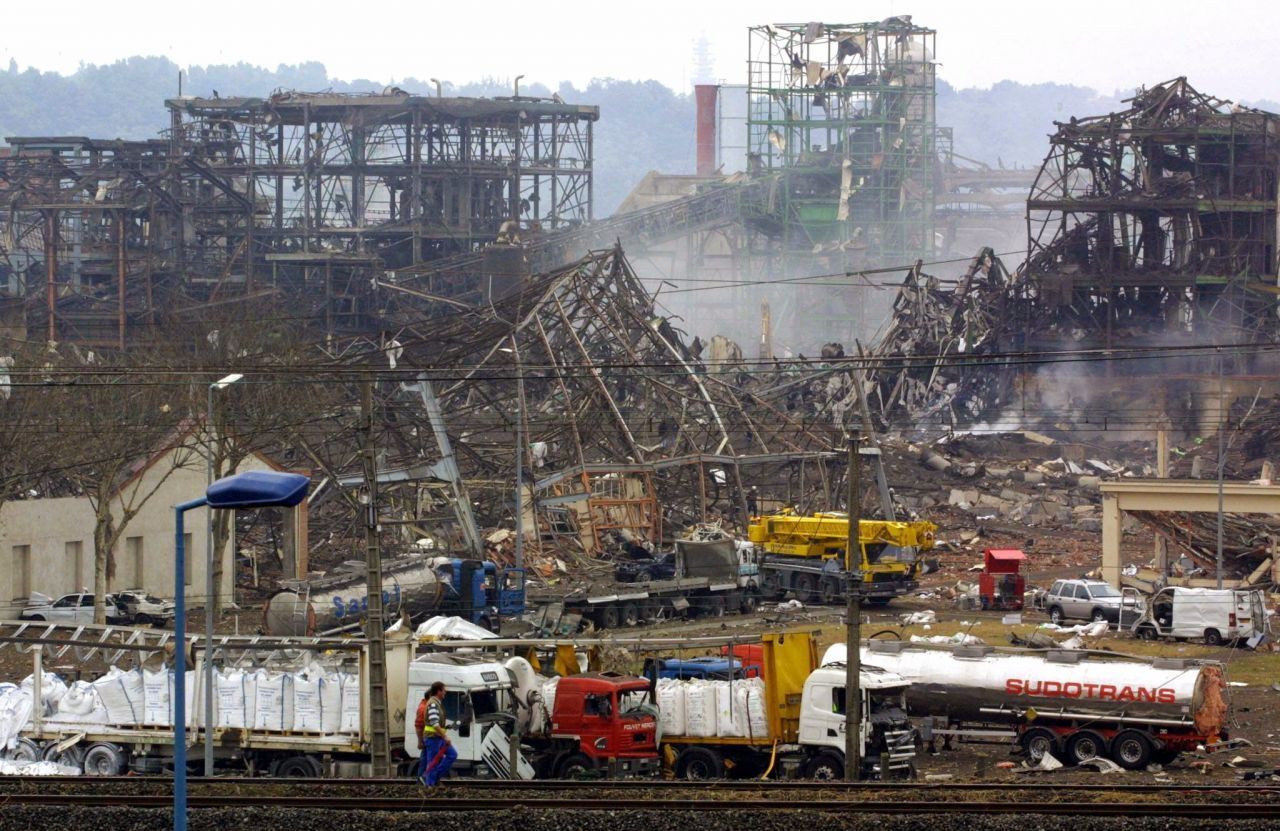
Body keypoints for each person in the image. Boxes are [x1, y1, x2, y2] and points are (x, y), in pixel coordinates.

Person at [414, 681, 457, 786]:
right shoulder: (433, 703)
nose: (445, 693)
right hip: (432, 739)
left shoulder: (436, 703)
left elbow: (436, 722)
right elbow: (434, 722)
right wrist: (445, 736)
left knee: (452, 754)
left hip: (437, 738)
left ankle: (430, 776)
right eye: (444, 691)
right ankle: (430, 786)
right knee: (432, 763)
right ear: (438, 691)